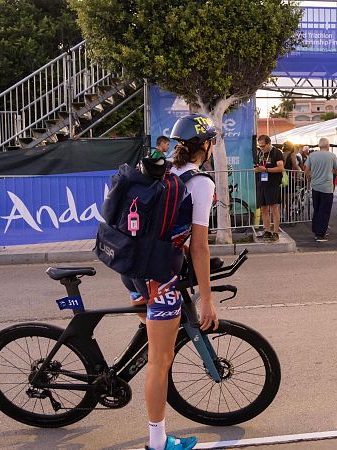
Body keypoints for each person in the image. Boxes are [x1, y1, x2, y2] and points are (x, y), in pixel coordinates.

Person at [123, 114, 218, 450]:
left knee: (153, 340)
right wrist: (206, 297)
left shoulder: (164, 170)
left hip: (132, 266)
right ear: (205, 146)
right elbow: (200, 245)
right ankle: (157, 442)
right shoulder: (201, 183)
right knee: (159, 362)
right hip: (159, 277)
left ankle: (115, 376)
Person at [305, 138, 337, 242]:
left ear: (319, 145)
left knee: (317, 209)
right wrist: (332, 171)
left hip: (315, 186)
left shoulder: (312, 155)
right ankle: (321, 234)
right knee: (325, 211)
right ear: (328, 145)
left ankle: (316, 230)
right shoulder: (332, 156)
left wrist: (309, 179)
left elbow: (306, 170)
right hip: (327, 187)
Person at [254, 135, 284, 242]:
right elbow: (258, 166)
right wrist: (257, 170)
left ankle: (275, 232)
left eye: (263, 146)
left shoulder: (277, 152)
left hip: (273, 184)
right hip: (261, 184)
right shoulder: (260, 153)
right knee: (264, 209)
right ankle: (267, 231)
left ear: (269, 143)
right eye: (260, 146)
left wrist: (266, 170)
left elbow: (281, 168)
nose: (261, 148)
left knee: (274, 208)